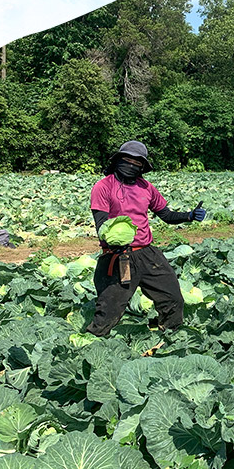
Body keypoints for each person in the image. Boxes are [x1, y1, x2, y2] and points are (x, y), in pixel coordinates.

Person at [86, 141, 207, 338]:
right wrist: (116, 240)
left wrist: (189, 215)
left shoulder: (146, 187)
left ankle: (170, 337)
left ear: (142, 166)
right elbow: (101, 224)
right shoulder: (103, 187)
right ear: (117, 161)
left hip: (147, 253)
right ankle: (92, 344)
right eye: (127, 160)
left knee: (173, 298)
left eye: (137, 162)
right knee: (108, 310)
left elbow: (166, 215)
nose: (132, 165)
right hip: (118, 256)